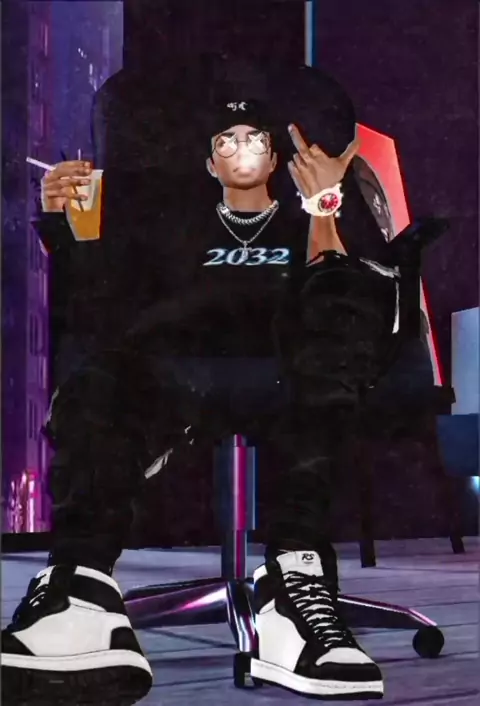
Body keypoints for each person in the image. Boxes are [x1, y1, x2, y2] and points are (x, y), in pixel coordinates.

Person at [2, 99, 397, 705]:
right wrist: (61, 220)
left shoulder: (309, 217)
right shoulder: (176, 230)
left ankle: (293, 592)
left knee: (329, 344)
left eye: (255, 137)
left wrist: (323, 206)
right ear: (210, 163)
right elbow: (102, 302)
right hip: (176, 377)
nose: (241, 148)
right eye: (225, 139)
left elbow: (352, 309)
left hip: (288, 372)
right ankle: (81, 592)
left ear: (276, 158)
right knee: (99, 379)